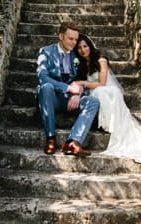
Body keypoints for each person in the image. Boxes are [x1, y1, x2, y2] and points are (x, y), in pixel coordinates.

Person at [73, 34, 141, 163]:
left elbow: (102, 83)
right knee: (95, 94)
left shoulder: (101, 60)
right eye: (79, 48)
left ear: (90, 46)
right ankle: (105, 122)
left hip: (107, 91)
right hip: (96, 93)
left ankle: (109, 123)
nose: (83, 50)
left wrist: (83, 83)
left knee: (101, 91)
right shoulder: (82, 65)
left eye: (85, 46)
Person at [36, 21, 100, 156]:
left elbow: (82, 77)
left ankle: (72, 142)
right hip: (51, 98)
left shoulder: (77, 55)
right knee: (46, 87)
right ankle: (51, 138)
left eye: (76, 39)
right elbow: (43, 77)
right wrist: (68, 88)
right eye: (71, 39)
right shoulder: (46, 52)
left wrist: (77, 94)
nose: (74, 42)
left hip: (70, 99)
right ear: (61, 36)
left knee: (93, 101)